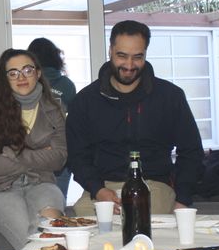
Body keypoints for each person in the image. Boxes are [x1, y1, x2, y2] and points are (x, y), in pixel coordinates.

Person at [66, 20, 204, 216]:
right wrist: (98, 189)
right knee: (85, 221)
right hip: (103, 187)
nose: (129, 65)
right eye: (122, 56)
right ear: (110, 51)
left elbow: (191, 151)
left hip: (154, 186)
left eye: (137, 57)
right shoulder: (85, 101)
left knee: (141, 218)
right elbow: (77, 156)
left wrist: (183, 198)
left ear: (145, 54)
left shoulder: (170, 97)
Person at [0, 48, 67, 250]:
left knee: (49, 235)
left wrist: (12, 154)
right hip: (1, 189)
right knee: (33, 244)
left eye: (27, 70)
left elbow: (59, 158)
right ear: (5, 79)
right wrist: (42, 153)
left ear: (38, 73)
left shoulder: (54, 110)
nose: (21, 77)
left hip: (42, 183)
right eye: (13, 73)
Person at [27, 37, 76, 197]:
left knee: (32, 202)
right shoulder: (67, 85)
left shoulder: (26, 84)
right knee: (58, 201)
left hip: (32, 154)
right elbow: (73, 122)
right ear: (56, 59)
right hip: (60, 153)